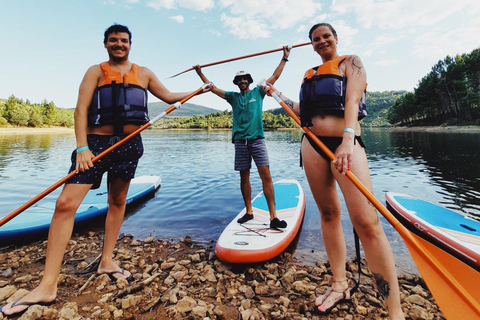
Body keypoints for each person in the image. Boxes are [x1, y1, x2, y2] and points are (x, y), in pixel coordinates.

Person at [0, 23, 210, 317]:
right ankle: (47, 285)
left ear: (130, 44)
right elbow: (80, 110)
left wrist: (201, 88)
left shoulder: (144, 73)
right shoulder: (95, 71)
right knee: (64, 205)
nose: (119, 44)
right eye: (113, 40)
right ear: (106, 44)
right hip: (96, 145)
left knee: (118, 201)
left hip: (129, 144)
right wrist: (82, 148)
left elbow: (170, 96)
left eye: (124, 40)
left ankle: (107, 260)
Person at [264, 23, 405, 318]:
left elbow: (352, 100)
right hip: (312, 145)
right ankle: (339, 283)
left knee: (367, 222)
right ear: (311, 45)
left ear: (335, 38)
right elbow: (302, 110)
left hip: (345, 143)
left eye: (326, 36)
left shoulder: (351, 62)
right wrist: (275, 93)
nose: (321, 41)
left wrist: (347, 139)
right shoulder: (310, 75)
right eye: (315, 39)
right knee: (328, 214)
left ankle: (394, 310)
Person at [193, 46, 290, 229]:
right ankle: (248, 212)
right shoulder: (233, 97)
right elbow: (212, 88)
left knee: (266, 176)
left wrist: (284, 58)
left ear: (249, 81)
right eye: (240, 79)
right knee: (243, 178)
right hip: (240, 143)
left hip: (257, 141)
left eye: (245, 78)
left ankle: (273, 217)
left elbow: (274, 77)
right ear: (237, 82)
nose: (243, 81)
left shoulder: (258, 92)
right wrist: (200, 73)